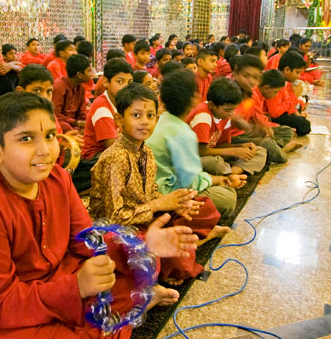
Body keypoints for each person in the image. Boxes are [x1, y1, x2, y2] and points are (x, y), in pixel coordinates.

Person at [0, 92, 199, 339]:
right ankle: (125, 315)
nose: (45, 151)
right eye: (26, 139)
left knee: (146, 264)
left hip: (60, 277)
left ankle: (111, 319)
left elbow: (87, 239)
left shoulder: (58, 177)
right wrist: (75, 288)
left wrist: (144, 244)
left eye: (50, 136)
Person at [90, 83, 224, 284]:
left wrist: (176, 203)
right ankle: (195, 243)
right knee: (165, 256)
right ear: (119, 119)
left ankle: (190, 243)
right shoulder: (115, 158)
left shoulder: (146, 151)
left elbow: (151, 190)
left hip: (146, 215)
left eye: (150, 116)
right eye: (136, 115)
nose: (145, 122)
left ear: (157, 119)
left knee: (203, 206)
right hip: (118, 230)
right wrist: (159, 206)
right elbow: (114, 217)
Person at [146, 69, 243, 218]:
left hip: (155, 186)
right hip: (164, 193)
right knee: (227, 198)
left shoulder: (162, 119)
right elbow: (189, 182)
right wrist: (219, 181)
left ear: (161, 100)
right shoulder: (183, 133)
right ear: (194, 99)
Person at [188, 77, 267, 177]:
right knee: (214, 162)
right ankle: (230, 172)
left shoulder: (224, 115)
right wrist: (233, 151)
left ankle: (232, 172)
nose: (232, 113)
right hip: (193, 157)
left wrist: (240, 147)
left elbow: (222, 144)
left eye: (233, 109)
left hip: (212, 152)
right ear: (212, 105)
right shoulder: (203, 116)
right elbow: (199, 151)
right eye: (228, 110)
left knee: (260, 151)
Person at [230, 54, 300, 164]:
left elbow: (256, 116)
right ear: (236, 71)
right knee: (266, 145)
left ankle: (273, 149)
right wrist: (256, 130)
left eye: (255, 78)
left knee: (286, 131)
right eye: (246, 76)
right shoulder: (229, 90)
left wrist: (265, 128)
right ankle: (282, 150)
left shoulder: (251, 93)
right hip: (233, 137)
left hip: (247, 132)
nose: (251, 81)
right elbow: (235, 119)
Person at [82, 58, 133, 160]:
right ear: (106, 82)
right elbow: (112, 144)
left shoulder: (122, 102)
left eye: (129, 82)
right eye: (120, 81)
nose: (126, 87)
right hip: (93, 159)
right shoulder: (101, 107)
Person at [258, 61, 311, 136]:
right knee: (301, 126)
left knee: (300, 116)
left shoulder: (283, 83)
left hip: (279, 112)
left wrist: (296, 113)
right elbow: (274, 113)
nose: (298, 76)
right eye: (297, 72)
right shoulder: (272, 84)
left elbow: (290, 101)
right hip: (275, 115)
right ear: (287, 69)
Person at [52, 54, 91, 133]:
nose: (92, 74)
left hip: (75, 125)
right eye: (89, 71)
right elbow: (56, 115)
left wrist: (85, 123)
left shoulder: (80, 87)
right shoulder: (59, 87)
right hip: (62, 124)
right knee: (66, 126)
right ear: (79, 74)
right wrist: (77, 123)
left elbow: (82, 112)